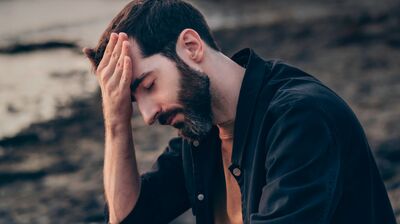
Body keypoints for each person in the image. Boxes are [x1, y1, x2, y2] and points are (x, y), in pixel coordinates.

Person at [83, 0, 396, 223]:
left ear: (191, 47)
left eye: (149, 85)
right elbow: (129, 219)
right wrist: (116, 121)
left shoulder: (301, 117)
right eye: (135, 102)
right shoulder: (201, 134)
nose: (149, 115)